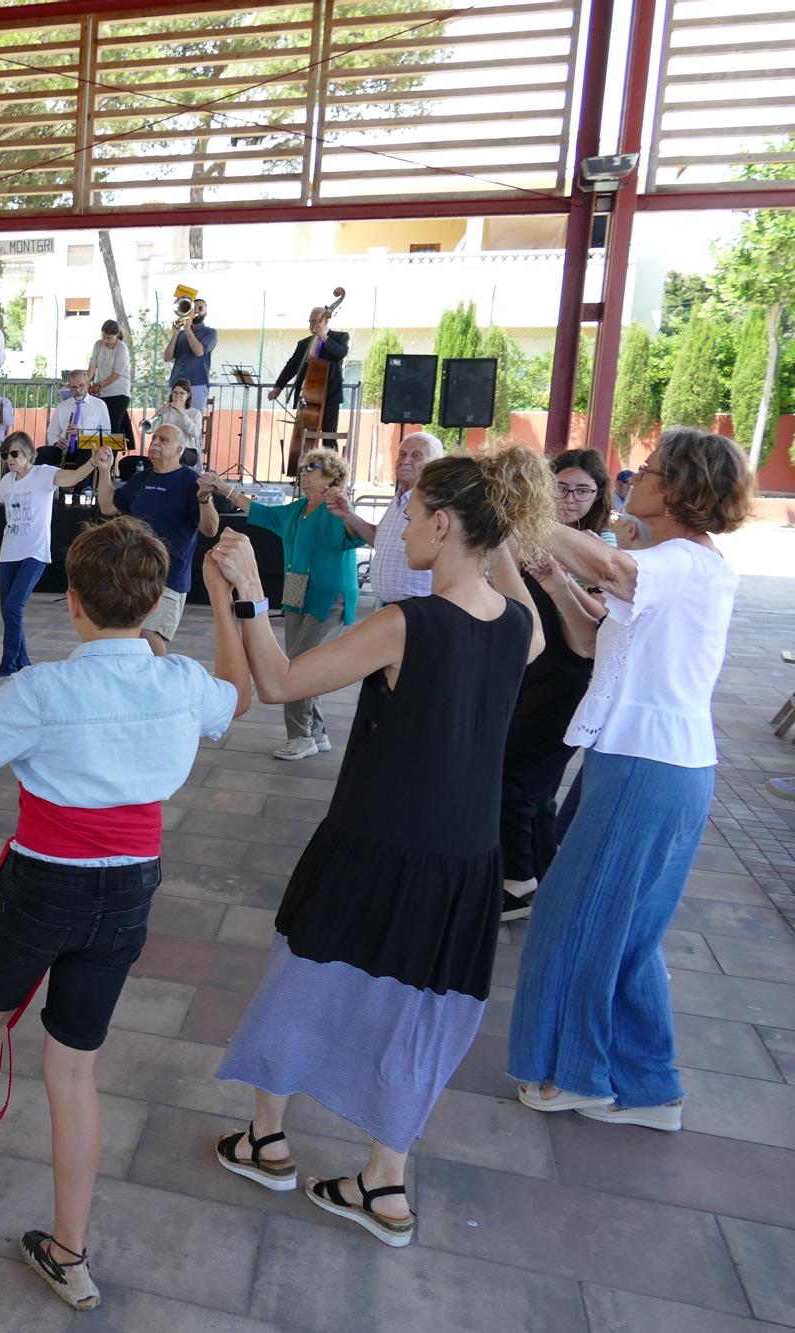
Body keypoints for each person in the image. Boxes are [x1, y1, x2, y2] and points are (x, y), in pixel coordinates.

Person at [0, 515, 246, 1310]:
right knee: (74, 1068)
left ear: (72, 601)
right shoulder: (179, 680)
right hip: (129, 892)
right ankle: (70, 1251)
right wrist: (222, 601)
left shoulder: (43, 689)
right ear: (153, 605)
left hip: (43, 883)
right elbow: (233, 700)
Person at [207, 447, 553, 1250]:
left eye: (412, 510)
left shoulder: (405, 624)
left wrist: (252, 597)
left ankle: (266, 1138)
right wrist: (496, 533)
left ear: (441, 523)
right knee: (421, 1012)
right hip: (466, 859)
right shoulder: (519, 630)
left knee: (302, 975)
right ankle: (383, 1181)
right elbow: (515, 609)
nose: (397, 524)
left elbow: (282, 685)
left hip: (375, 842)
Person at [508, 427, 754, 1134]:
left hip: (650, 766)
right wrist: (556, 580)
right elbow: (591, 637)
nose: (631, 478)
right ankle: (649, 1088)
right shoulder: (670, 561)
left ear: (678, 489)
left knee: (575, 918)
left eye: (646, 471)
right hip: (650, 763)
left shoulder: (683, 561)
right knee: (628, 932)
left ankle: (580, 1075)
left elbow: (615, 571)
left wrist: (530, 510)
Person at [497, 448, 610, 924]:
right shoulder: (530, 534)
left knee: (516, 778)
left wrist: (562, 580)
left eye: (583, 490)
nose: (571, 498)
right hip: (530, 674)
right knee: (537, 787)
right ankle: (542, 873)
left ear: (598, 496)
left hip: (567, 679)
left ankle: (517, 881)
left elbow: (598, 629)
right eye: (562, 487)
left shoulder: (600, 549)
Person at [200, 449, 367, 759]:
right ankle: (315, 731)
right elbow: (257, 510)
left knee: (298, 668)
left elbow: (360, 535)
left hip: (329, 599)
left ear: (331, 477)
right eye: (303, 467)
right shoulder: (297, 510)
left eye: (313, 467)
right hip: (295, 593)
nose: (304, 472)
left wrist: (348, 512)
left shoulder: (339, 510)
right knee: (300, 661)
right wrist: (221, 486)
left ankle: (300, 735)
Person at [0, 433, 105, 679]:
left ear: (29, 454)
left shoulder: (43, 474)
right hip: (8, 553)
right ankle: (25, 667)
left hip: (35, 553)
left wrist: (92, 463)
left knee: (13, 606)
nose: (9, 459)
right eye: (6, 454)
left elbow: (72, 477)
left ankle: (7, 670)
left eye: (14, 453)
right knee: (10, 612)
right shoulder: (8, 480)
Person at [97, 422, 218, 657]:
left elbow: (210, 529)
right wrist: (104, 470)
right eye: (154, 439)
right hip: (136, 573)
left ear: (179, 450)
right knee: (129, 636)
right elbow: (108, 505)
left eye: (164, 440)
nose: (155, 443)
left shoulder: (189, 482)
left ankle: (164, 683)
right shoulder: (142, 479)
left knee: (149, 635)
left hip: (169, 576)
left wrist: (204, 499)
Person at [329, 431, 441, 606]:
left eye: (416, 456)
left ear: (433, 464)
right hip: (388, 604)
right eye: (402, 454)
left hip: (418, 605)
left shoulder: (434, 504)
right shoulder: (398, 498)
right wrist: (348, 516)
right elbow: (379, 540)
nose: (405, 461)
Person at [270, 305, 350, 439]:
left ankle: (330, 460)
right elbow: (291, 366)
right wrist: (278, 387)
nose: (312, 324)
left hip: (330, 395)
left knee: (328, 437)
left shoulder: (339, 337)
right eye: (310, 322)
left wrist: (324, 337)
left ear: (325, 321)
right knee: (303, 437)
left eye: (315, 321)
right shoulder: (303, 343)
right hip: (308, 396)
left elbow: (340, 353)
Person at [43, 368, 110, 469]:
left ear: (88, 384)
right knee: (42, 453)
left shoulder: (99, 405)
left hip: (87, 448)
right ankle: (47, 484)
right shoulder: (62, 406)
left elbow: (106, 434)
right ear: (69, 387)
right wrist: (56, 442)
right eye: (74, 387)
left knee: (87, 453)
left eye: (81, 385)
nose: (78, 390)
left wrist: (81, 433)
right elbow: (51, 432)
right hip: (64, 448)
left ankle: (83, 485)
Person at [162, 297, 216, 412]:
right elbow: (166, 358)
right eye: (193, 308)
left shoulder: (210, 332)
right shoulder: (181, 334)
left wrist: (187, 329)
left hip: (197, 384)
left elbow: (199, 352)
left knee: (194, 422)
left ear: (206, 312)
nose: (196, 311)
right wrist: (175, 335)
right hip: (176, 384)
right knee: (173, 419)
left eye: (200, 308)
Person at [88, 320, 132, 438]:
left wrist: (99, 386)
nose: (106, 340)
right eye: (104, 337)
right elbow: (93, 364)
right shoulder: (98, 344)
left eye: (109, 338)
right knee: (98, 427)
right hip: (101, 393)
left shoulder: (122, 348)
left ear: (117, 335)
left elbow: (116, 374)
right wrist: (86, 381)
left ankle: (112, 456)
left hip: (118, 393)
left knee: (113, 428)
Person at [145, 379, 201, 450]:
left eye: (182, 393)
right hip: (165, 447)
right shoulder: (166, 411)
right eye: (175, 393)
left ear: (188, 395)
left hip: (186, 448)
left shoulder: (195, 413)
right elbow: (150, 431)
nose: (178, 396)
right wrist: (157, 414)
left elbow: (196, 433)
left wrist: (182, 414)